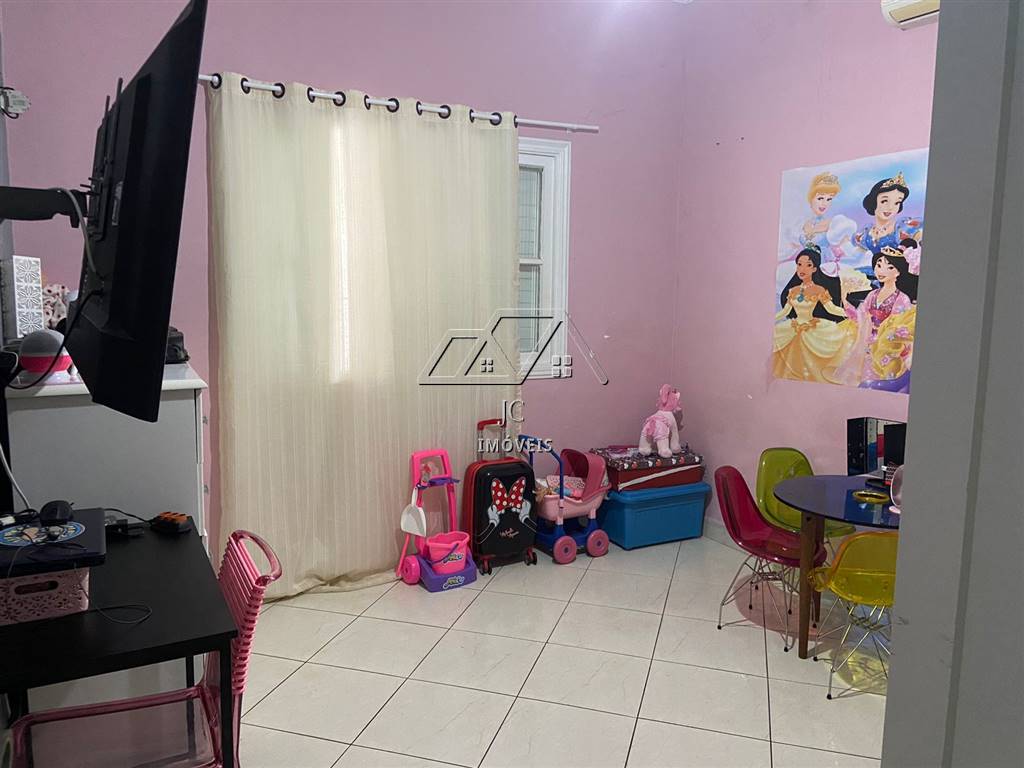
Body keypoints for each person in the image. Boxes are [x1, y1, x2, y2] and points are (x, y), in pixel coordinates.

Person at [835, 240, 919, 391]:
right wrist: (845, 302)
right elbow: (859, 317)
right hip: (868, 345)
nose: (881, 270)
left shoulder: (902, 299)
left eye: (889, 267)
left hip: (888, 348)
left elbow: (901, 327)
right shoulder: (872, 295)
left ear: (898, 272)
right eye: (879, 265)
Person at [773, 245, 855, 382]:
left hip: (813, 330)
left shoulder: (819, 290)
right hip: (793, 329)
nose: (802, 269)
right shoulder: (793, 290)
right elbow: (785, 311)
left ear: (815, 269)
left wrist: (852, 314)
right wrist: (769, 319)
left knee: (813, 366)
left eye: (808, 265)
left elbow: (831, 309)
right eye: (799, 264)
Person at [853, 172, 923, 258]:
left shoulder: (903, 228)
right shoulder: (865, 234)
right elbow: (857, 258)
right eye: (884, 201)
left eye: (897, 203)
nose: (890, 207)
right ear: (873, 202)